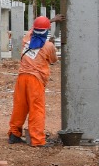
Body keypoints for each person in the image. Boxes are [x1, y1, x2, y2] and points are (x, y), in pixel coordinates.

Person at [8, 14, 62, 147]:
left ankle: (14, 134)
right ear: (46, 31)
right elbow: (54, 61)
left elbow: (34, 28)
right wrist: (53, 46)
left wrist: (50, 20)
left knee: (20, 107)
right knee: (37, 109)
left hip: (22, 78)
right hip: (35, 80)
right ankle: (37, 140)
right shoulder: (48, 46)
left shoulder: (26, 39)